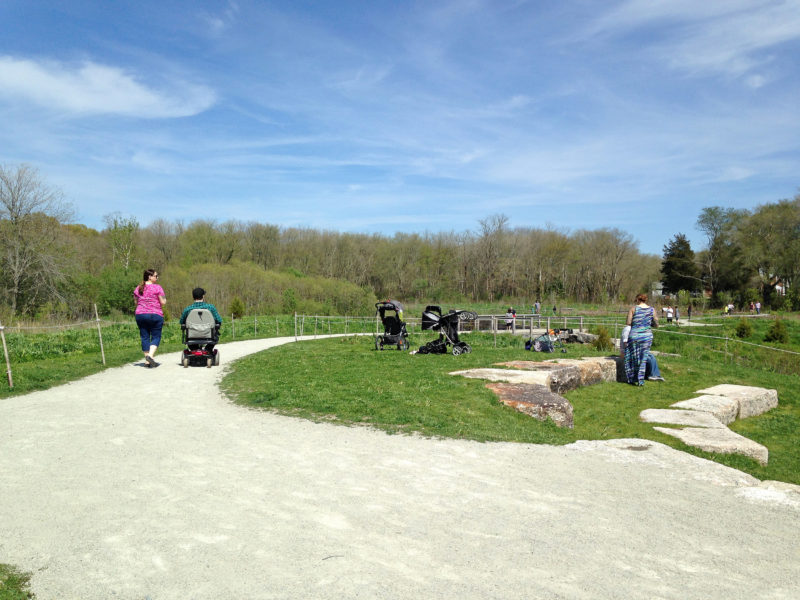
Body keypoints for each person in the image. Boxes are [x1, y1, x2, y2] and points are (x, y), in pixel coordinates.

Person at [133, 268, 166, 368]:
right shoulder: (157, 288)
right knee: (156, 336)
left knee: (145, 336)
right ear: (150, 277)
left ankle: (147, 361)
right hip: (155, 314)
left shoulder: (138, 288)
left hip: (140, 314)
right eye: (156, 276)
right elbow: (163, 302)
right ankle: (150, 356)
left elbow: (136, 302)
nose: (157, 277)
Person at [624, 293, 657, 386]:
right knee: (643, 358)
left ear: (638, 300)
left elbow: (628, 322)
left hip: (635, 336)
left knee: (632, 357)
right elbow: (656, 323)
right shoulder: (652, 310)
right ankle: (640, 380)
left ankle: (632, 378)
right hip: (647, 336)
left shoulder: (633, 309)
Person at [180, 287, 223, 352]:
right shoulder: (211, 308)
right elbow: (219, 320)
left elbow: (181, 321)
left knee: (188, 337)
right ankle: (208, 349)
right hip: (208, 334)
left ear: (193, 297)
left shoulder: (187, 309)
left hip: (192, 335)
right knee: (216, 334)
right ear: (203, 296)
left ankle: (195, 350)